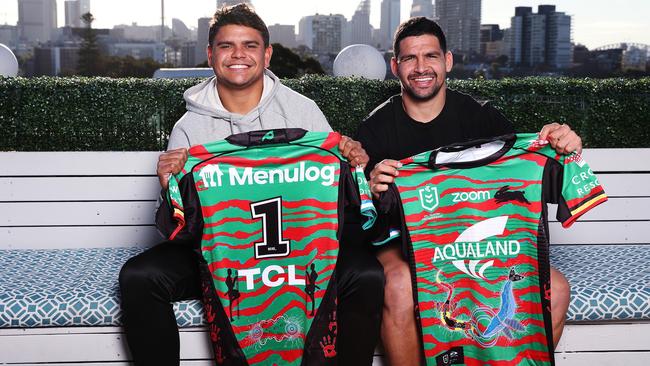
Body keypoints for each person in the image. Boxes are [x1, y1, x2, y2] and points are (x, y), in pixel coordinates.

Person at [119, 4, 383, 365]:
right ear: (211, 55)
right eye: (227, 46)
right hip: (223, 256)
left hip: (299, 250)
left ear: (268, 54)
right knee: (139, 276)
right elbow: (177, 229)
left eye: (250, 45)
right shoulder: (188, 128)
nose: (238, 54)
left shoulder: (302, 111)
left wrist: (351, 162)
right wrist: (170, 185)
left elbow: (337, 199)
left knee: (367, 274)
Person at [355, 17, 578, 366]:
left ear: (447, 61)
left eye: (430, 56)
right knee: (398, 285)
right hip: (407, 243)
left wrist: (563, 146)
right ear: (395, 66)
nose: (421, 67)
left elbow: (523, 169)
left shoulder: (481, 116)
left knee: (559, 289)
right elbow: (359, 213)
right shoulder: (375, 128)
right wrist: (370, 187)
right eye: (410, 59)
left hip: (477, 238)